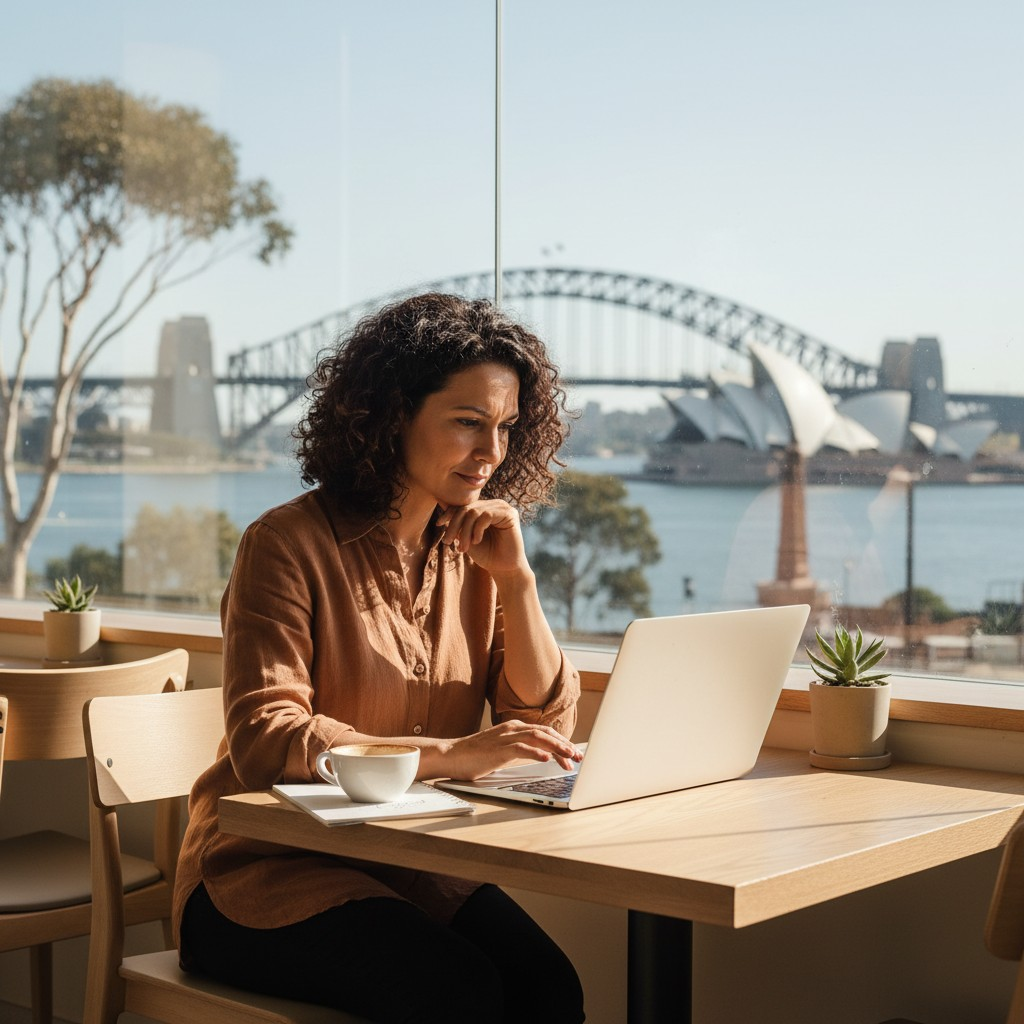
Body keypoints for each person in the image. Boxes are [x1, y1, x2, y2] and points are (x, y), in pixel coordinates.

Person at [173, 293, 587, 1024]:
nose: (492, 453)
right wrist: (452, 755)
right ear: (393, 415)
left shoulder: (475, 554)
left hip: (408, 869)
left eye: (505, 428)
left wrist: (518, 584)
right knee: (459, 993)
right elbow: (268, 741)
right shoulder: (285, 545)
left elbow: (538, 720)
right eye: (467, 423)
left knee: (549, 989)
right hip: (262, 878)